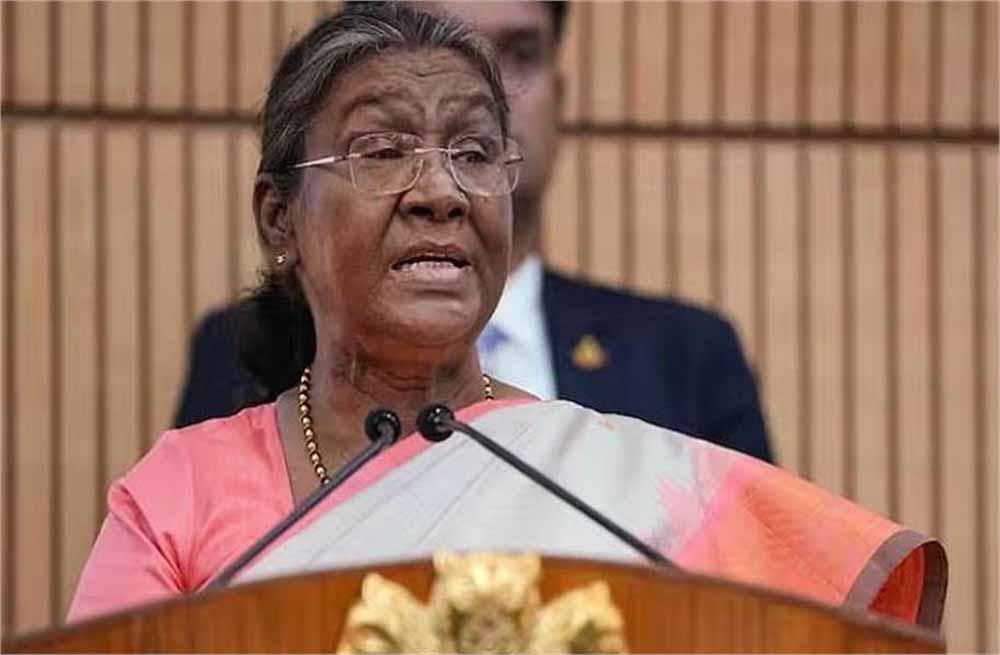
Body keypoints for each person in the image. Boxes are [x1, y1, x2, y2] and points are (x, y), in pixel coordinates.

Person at [70, 3, 943, 629]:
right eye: (383, 150)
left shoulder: (616, 479)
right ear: (278, 219)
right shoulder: (178, 496)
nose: (442, 191)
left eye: (476, 152)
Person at [174, 1, 773, 463]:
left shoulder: (688, 355)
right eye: (384, 149)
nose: (487, 85)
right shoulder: (224, 404)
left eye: (519, 54)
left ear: (560, 95)